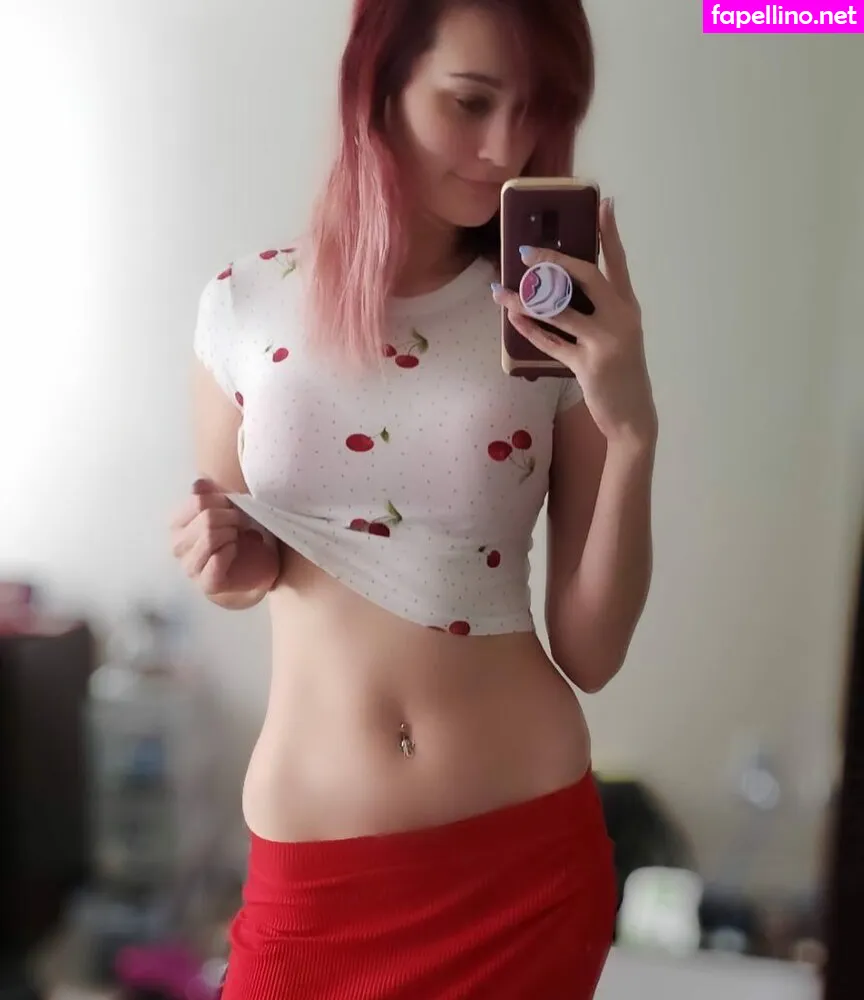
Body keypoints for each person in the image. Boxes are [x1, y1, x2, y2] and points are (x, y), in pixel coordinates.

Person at [170, 0, 657, 996]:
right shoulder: (244, 305)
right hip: (317, 879)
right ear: (378, 85)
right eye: (470, 102)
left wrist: (634, 431)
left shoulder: (551, 329)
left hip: (522, 867)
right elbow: (246, 565)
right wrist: (227, 560)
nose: (505, 148)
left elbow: (592, 651)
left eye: (536, 109)